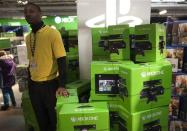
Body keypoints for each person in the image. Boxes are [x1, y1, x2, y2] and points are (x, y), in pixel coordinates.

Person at [24, 2, 69, 131]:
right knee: (41, 120)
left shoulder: (52, 33)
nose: (28, 14)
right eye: (25, 12)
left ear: (40, 13)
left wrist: (62, 85)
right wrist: (29, 82)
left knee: (54, 120)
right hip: (34, 87)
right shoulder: (28, 37)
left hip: (50, 85)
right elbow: (30, 61)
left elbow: (61, 59)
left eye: (31, 11)